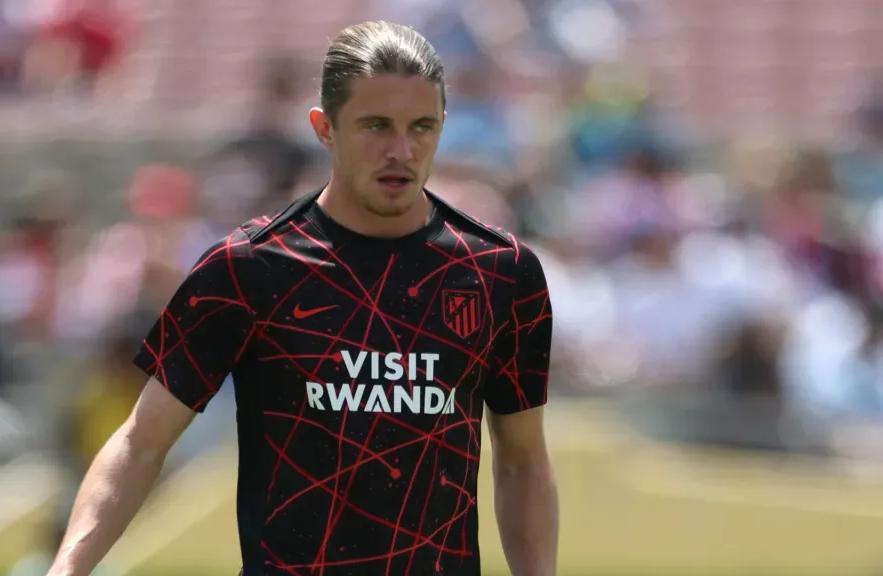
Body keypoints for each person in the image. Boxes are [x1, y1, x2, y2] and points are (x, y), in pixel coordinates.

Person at [47, 20, 558, 576]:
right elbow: (141, 442)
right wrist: (68, 568)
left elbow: (523, 459)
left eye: (422, 127)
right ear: (324, 128)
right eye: (376, 126)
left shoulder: (501, 273)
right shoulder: (246, 267)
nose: (401, 150)